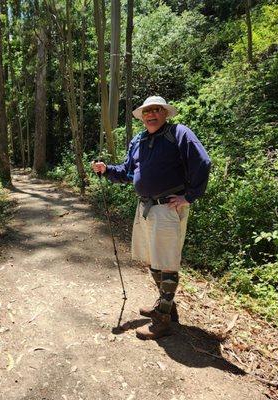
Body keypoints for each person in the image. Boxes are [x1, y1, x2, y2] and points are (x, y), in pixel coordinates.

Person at [92, 96, 211, 340]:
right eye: (147, 111)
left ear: (165, 113)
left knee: (166, 262)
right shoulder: (139, 140)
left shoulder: (179, 133)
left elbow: (203, 162)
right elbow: (127, 172)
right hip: (146, 208)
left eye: (157, 110)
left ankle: (162, 320)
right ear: (142, 115)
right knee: (152, 261)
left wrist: (189, 196)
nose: (151, 114)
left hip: (168, 208)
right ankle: (166, 305)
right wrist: (107, 170)